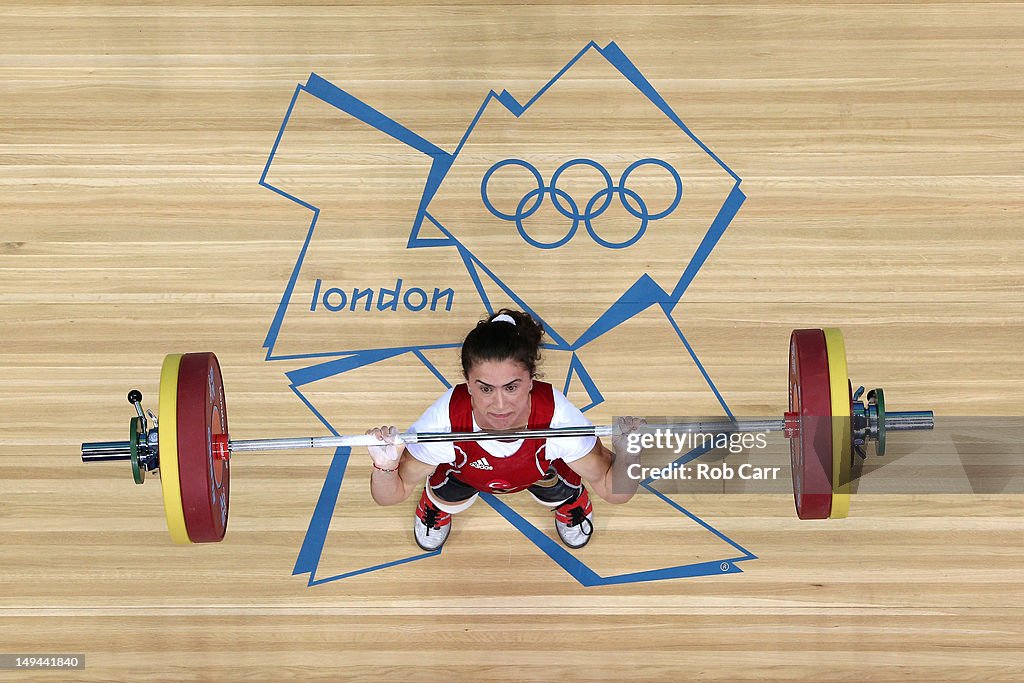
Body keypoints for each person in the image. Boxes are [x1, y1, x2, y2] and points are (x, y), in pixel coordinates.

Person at [366, 309, 643, 551]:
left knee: (564, 483)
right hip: (466, 470)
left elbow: (613, 491)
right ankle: (436, 505)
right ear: (468, 383)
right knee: (443, 489)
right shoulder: (443, 423)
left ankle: (571, 501)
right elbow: (390, 495)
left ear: (531, 380)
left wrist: (630, 454)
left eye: (511, 387)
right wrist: (386, 467)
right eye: (485, 388)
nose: (499, 405)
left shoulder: (560, 421)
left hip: (538, 469)